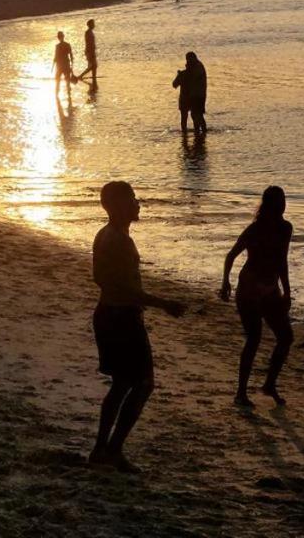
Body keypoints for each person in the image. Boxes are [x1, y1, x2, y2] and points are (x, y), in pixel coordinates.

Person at [90, 180, 186, 472]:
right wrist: (164, 303)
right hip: (121, 318)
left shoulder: (107, 235)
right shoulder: (116, 240)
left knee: (121, 384)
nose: (137, 203)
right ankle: (113, 449)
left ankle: (101, 450)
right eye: (132, 199)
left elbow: (103, 280)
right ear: (117, 206)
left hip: (110, 314)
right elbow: (120, 286)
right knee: (143, 384)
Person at [220, 186, 293, 407]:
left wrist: (287, 292)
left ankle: (269, 384)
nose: (283, 205)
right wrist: (225, 282)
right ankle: (240, 393)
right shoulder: (254, 229)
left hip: (270, 288)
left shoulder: (285, 228)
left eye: (284, 200)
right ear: (271, 204)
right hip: (249, 288)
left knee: (286, 337)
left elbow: (282, 261)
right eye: (279, 201)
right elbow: (231, 255)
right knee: (253, 339)